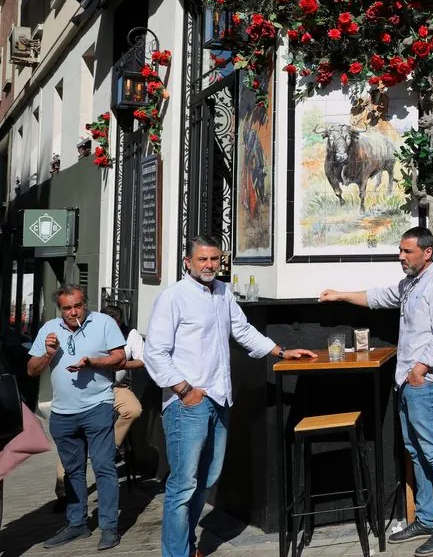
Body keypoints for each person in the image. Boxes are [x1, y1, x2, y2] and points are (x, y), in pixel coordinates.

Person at [144, 236, 317, 557]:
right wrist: (184, 390)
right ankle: (175, 554)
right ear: (188, 262)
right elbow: (155, 352)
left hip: (219, 400)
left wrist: (281, 351)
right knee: (182, 485)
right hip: (187, 404)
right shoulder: (173, 298)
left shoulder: (222, 293)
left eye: (215, 259)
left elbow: (242, 329)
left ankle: (186, 546)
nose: (210, 265)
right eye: (203, 260)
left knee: (206, 478)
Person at [320, 226, 433, 554]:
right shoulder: (410, 284)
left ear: (427, 253)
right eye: (400, 251)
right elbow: (377, 297)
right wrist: (339, 294)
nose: (401, 257)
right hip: (409, 382)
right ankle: (427, 518)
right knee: (416, 451)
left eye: (407, 251)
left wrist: (421, 368)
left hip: (426, 382)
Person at [27, 285, 126, 550]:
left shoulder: (103, 323)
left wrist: (93, 362)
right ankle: (77, 524)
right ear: (60, 310)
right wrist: (48, 355)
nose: (74, 312)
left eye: (78, 306)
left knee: (104, 466)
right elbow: (31, 370)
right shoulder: (49, 330)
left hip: (98, 406)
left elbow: (120, 357)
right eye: (67, 308)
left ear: (86, 304)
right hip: (62, 412)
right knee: (72, 471)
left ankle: (108, 527)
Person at [102, 305, 144, 450]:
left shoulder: (130, 334)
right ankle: (65, 469)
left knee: (133, 410)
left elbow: (142, 361)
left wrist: (123, 365)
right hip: (92, 385)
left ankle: (108, 447)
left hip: (116, 386)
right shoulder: (91, 333)